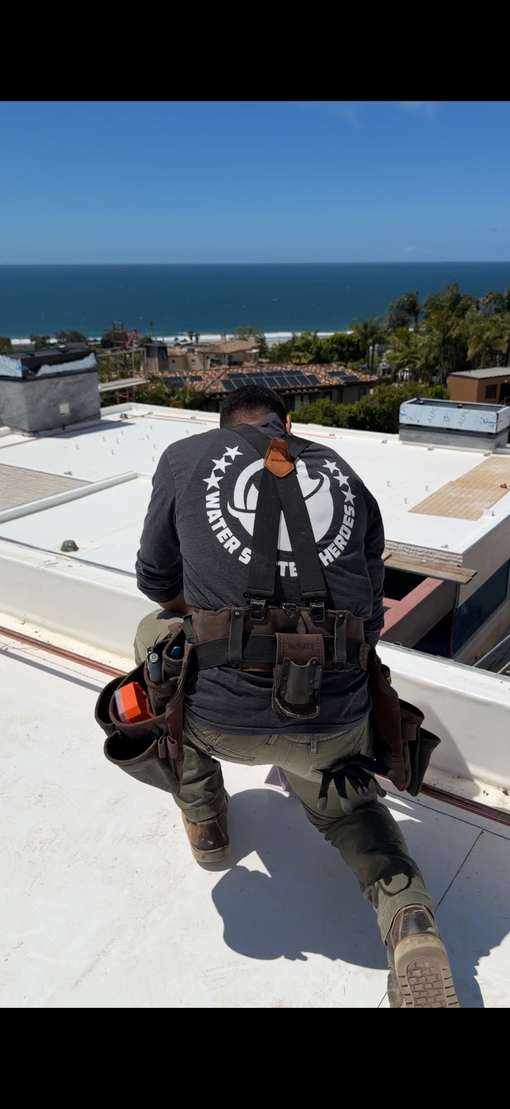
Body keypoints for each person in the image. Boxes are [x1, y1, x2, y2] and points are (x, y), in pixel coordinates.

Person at [134, 384, 459, 1008]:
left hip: (217, 719)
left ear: (223, 426)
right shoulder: (342, 471)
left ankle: (205, 820)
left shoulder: (184, 456)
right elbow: (368, 615)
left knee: (157, 642)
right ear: (290, 423)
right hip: (332, 720)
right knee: (350, 811)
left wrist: (215, 627)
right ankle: (411, 920)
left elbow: (155, 579)